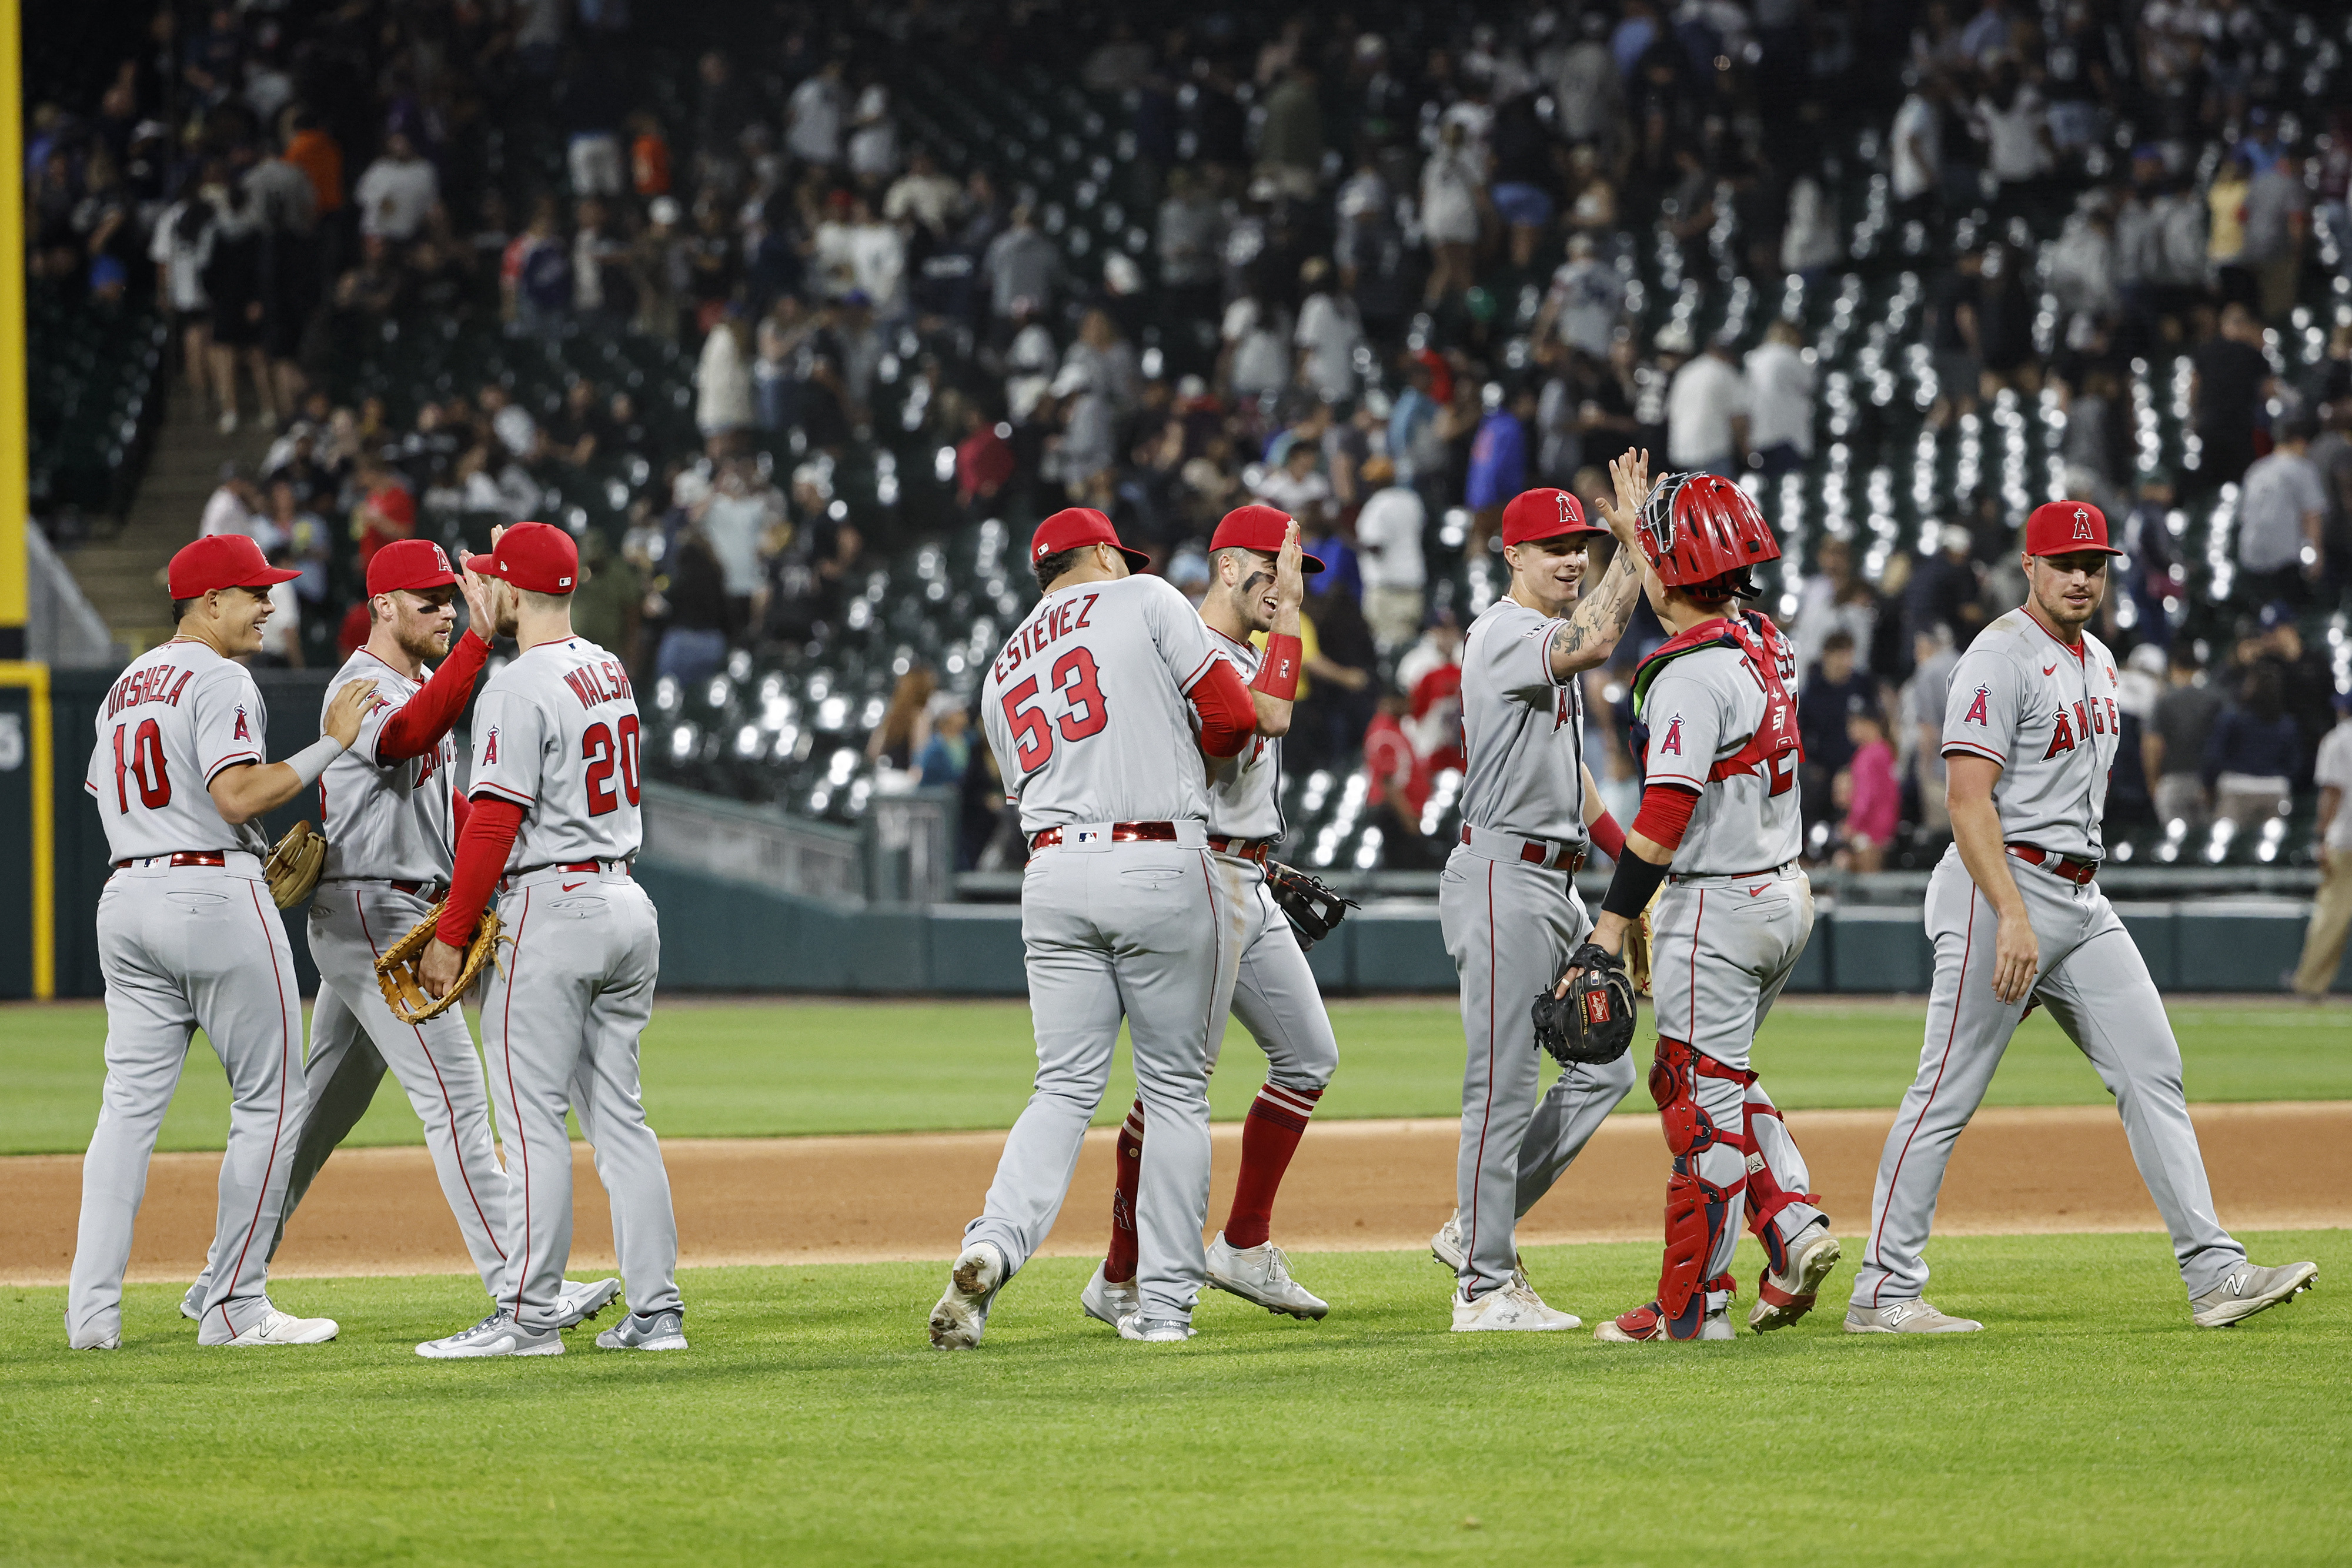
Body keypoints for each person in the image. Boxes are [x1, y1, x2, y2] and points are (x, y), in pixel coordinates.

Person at [1849, 501, 2318, 1332]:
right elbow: (1967, 800)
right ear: (2029, 566)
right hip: (2001, 887)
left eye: (2093, 563)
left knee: (2154, 1066)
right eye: (2064, 562)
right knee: (1946, 1091)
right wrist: (2012, 912)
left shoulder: (2100, 657)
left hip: (2080, 894)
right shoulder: (1998, 655)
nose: (2080, 576)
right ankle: (1883, 1290)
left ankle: (2215, 1273)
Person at [176, 539, 618, 1346]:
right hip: (367, 913)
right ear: (382, 607)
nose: (448, 611)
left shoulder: (419, 676)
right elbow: (411, 732)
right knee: (457, 1097)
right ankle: (525, 1285)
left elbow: (438, 774)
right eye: (427, 601)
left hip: (394, 909)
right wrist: (484, 642)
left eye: (452, 598)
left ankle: (222, 1279)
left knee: (318, 1113)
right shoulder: (361, 683)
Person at [931, 509, 1260, 1348]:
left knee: (1063, 1086)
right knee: (1177, 1088)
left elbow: (1021, 786)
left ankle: (991, 1242)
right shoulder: (1146, 596)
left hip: (1049, 870)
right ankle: (1164, 1305)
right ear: (1108, 552)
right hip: (1154, 856)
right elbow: (1232, 722)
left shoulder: (1003, 663)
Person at [69, 534, 377, 1350]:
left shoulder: (123, 686)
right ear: (208, 602)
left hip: (127, 895)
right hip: (210, 894)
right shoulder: (220, 676)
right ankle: (235, 1304)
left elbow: (114, 791)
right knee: (272, 1104)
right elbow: (235, 792)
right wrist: (332, 742)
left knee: (126, 1112)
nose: (269, 604)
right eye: (253, 591)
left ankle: (90, 1315)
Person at [412, 522, 687, 1355]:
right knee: (621, 1120)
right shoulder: (608, 666)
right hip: (626, 902)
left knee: (531, 1121)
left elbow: (494, 820)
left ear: (515, 591)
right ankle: (657, 1313)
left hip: (552, 906)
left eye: (490, 579)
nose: (478, 592)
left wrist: (452, 933)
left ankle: (527, 1318)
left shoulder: (516, 685)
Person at [1579, 473, 1836, 1341]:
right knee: (1720, 1079)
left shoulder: (1690, 672)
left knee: (1694, 1101)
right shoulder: (1766, 640)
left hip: (1717, 903)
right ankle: (1792, 1222)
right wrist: (1643, 539)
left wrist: (1613, 921)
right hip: (1786, 891)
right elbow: (1691, 581)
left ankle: (1692, 1305)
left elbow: (1664, 812)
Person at [1085, 505, 1337, 1327]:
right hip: (1198, 875)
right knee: (1171, 1084)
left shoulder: (1243, 654)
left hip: (1248, 874)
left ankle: (1243, 1243)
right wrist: (1293, 623)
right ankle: (1121, 1275)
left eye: (1298, 575)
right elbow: (1246, 735)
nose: (1290, 589)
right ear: (1230, 568)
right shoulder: (1181, 647)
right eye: (1279, 571)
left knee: (1307, 1056)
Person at [1431, 466, 1651, 1331]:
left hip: (1551, 879)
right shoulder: (1504, 633)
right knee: (1503, 1084)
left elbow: (1579, 784)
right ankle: (1483, 1287)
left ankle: (1473, 1229)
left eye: (1581, 545)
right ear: (1513, 553)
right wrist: (1633, 547)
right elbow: (1598, 641)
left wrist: (1630, 880)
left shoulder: (1544, 638)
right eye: (1555, 547)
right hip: (1500, 875)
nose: (1571, 559)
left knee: (1606, 1062)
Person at [2289, 690, 2352, 999]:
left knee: (2331, 915)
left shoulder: (2337, 740)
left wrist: (2321, 837)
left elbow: (2332, 792)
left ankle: (2310, 984)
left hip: (2345, 839)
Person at [2237, 417, 2327, 607]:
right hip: (2285, 560)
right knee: (2291, 618)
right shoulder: (2303, 469)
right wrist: (2314, 556)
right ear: (2301, 442)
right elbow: (2312, 516)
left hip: (2250, 557)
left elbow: (2243, 515)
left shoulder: (2256, 470)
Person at [2146, 643, 2225, 836]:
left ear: (2174, 668)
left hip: (2172, 783)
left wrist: (2153, 784)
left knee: (2175, 845)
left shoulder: (2165, 701)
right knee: (2205, 845)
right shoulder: (2216, 699)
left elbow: (2152, 745)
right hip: (2207, 783)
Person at [1354, 456, 1427, 653]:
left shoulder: (1377, 504)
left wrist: (1351, 542)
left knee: (1386, 648)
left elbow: (1375, 546)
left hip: (1386, 588)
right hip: (1413, 584)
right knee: (1409, 645)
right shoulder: (1412, 500)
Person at [1665, 335, 1749, 477]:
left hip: (1682, 451)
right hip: (1712, 451)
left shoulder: (1687, 371)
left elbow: (1671, 413)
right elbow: (1738, 419)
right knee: (1716, 498)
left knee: (1691, 498)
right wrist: (1746, 452)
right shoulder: (1725, 372)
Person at [1745, 320, 1814, 482]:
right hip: (1788, 436)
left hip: (1761, 433)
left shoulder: (1756, 358)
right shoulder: (1790, 356)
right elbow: (1810, 383)